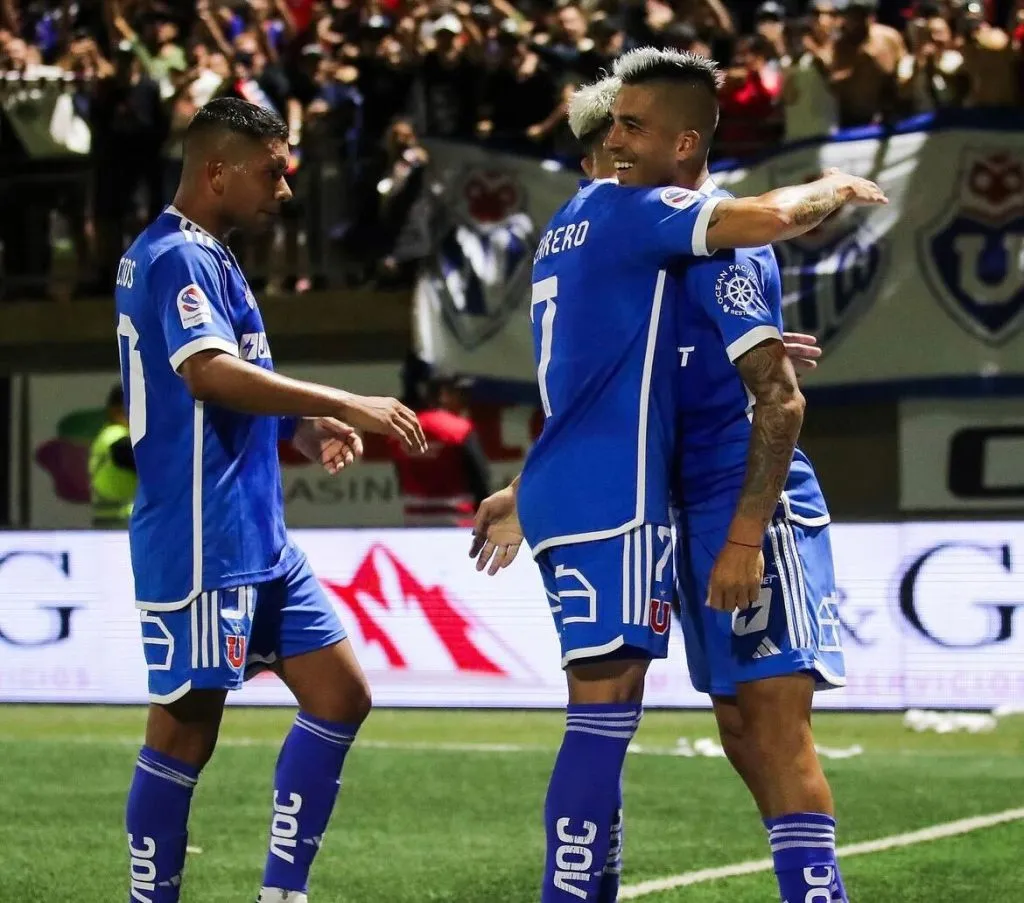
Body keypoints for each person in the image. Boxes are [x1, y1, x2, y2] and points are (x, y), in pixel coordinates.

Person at [472, 49, 885, 903]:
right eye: (611, 130)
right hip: (669, 502)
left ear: (683, 141)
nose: (614, 146)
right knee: (734, 726)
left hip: (748, 507)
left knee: (768, 728)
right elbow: (622, 377)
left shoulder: (684, 239)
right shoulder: (649, 227)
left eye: (631, 127)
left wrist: (742, 538)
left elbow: (778, 402)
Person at [114, 97, 426, 903]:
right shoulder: (177, 254)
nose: (286, 191)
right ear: (216, 171)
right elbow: (206, 372)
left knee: (342, 694)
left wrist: (303, 423)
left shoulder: (209, 254)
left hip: (258, 532)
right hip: (199, 535)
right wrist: (350, 402)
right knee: (185, 731)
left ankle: (282, 893)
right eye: (274, 172)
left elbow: (227, 389)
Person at [388, 369, 491, 526]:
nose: (466, 400)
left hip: (414, 519)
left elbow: (400, 477)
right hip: (457, 520)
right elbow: (480, 479)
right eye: (461, 394)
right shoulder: (461, 429)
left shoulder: (402, 430)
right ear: (443, 394)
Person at [88, 384, 137, 528]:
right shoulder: (115, 436)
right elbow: (153, 465)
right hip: (120, 523)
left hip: (108, 520)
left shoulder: (104, 436)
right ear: (116, 411)